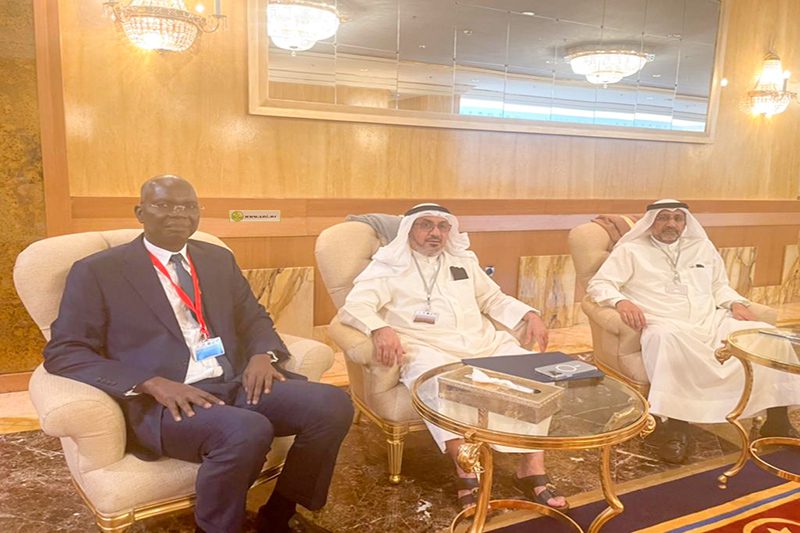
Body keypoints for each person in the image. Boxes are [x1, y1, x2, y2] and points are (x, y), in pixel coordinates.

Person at [44, 175, 353, 533]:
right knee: (246, 430)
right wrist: (151, 383)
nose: (179, 213)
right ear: (140, 212)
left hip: (233, 381)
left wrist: (262, 355)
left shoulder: (217, 259)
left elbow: (253, 317)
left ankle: (279, 512)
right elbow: (65, 350)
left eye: (188, 206)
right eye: (164, 205)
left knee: (332, 404)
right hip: (164, 402)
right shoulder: (98, 271)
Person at [339, 203, 567, 510]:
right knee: (442, 383)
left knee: (535, 376)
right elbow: (355, 306)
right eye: (425, 225)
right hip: (426, 347)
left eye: (442, 226)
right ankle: (466, 471)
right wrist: (379, 328)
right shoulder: (388, 266)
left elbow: (492, 298)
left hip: (482, 342)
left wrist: (529, 314)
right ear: (409, 229)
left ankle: (531, 467)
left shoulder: (463, 260)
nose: (435, 233)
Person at [587, 199, 800, 463]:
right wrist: (621, 301)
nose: (671, 224)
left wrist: (735, 303)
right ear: (651, 222)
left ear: (685, 222)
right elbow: (600, 284)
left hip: (710, 320)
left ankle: (778, 421)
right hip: (664, 321)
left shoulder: (702, 247)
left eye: (678, 218)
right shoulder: (631, 250)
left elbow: (719, 286)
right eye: (664, 217)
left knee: (766, 335)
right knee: (667, 340)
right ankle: (677, 429)